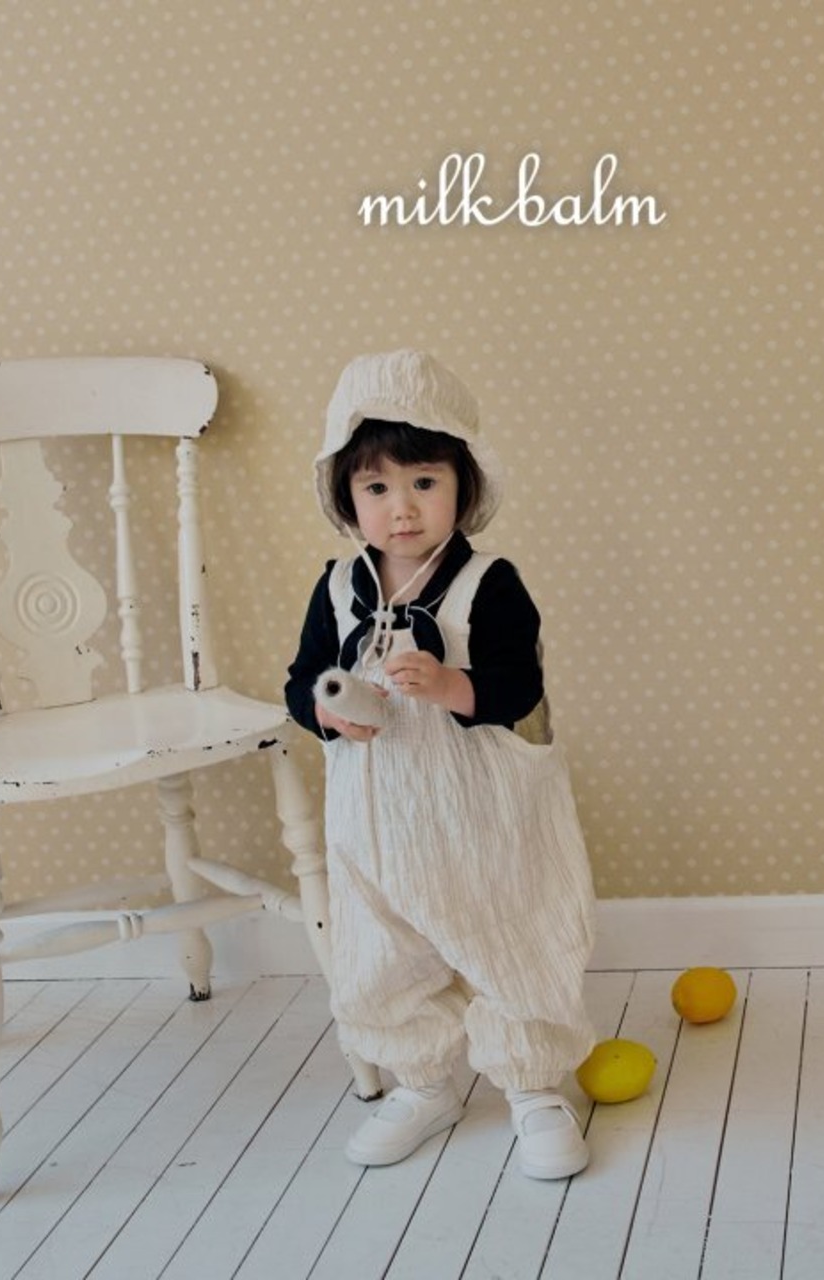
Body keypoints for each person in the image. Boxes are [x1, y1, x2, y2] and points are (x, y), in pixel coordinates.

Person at [285, 349, 597, 1180]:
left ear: (464, 484)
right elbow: (301, 679)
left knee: (507, 937)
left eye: (425, 482)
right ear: (347, 496)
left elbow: (519, 683)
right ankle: (424, 1081)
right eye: (377, 488)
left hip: (480, 817)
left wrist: (453, 685)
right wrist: (325, 710)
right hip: (373, 822)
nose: (403, 508)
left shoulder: (488, 583)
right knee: (381, 953)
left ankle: (532, 1084)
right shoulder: (339, 589)